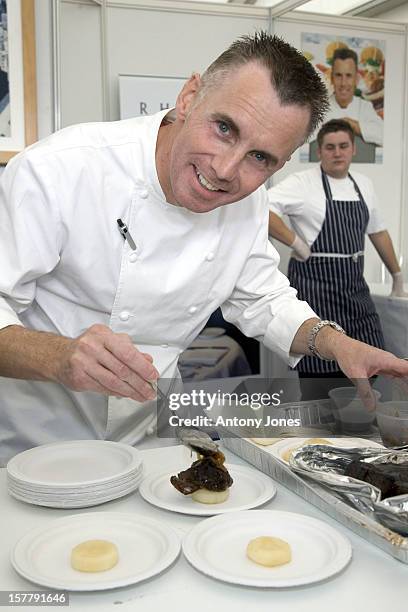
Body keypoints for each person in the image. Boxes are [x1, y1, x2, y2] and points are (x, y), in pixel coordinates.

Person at [0, 33, 407, 466]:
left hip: (150, 439)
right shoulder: (59, 169)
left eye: (260, 158)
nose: (224, 170)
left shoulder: (248, 203)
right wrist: (61, 356)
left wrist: (340, 345)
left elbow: (263, 298)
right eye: (224, 128)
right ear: (188, 96)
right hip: (38, 443)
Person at [268, 119, 407, 399]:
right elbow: (260, 208)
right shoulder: (301, 183)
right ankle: (323, 435)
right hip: (315, 290)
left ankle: (361, 430)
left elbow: (378, 233)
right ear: (320, 152)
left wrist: (397, 276)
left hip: (355, 291)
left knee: (372, 363)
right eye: (330, 147)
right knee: (321, 377)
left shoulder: (364, 185)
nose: (337, 152)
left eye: (343, 146)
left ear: (353, 149)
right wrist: (295, 242)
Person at [326, 47, 383, 147]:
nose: (343, 83)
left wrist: (354, 125)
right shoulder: (320, 107)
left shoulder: (365, 107)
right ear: (332, 78)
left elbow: (383, 135)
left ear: (356, 79)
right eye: (339, 75)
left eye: (348, 76)